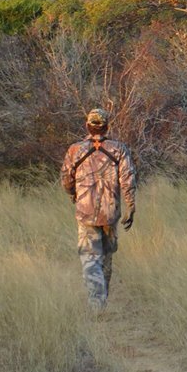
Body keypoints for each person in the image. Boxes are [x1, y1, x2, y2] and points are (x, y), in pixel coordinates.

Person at [60, 108, 136, 310]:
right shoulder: (119, 149)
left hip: (85, 212)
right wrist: (130, 206)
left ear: (87, 126)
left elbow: (66, 179)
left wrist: (73, 196)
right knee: (106, 258)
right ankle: (102, 300)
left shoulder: (75, 150)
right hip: (111, 213)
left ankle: (97, 304)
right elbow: (128, 180)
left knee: (90, 258)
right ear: (107, 126)